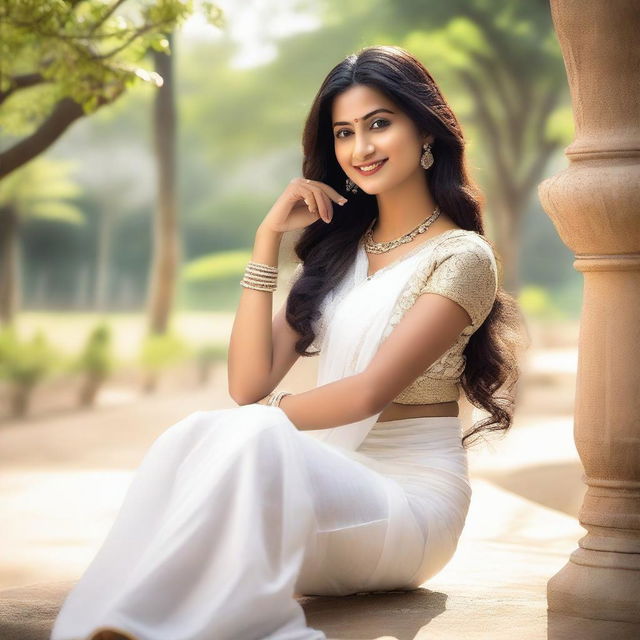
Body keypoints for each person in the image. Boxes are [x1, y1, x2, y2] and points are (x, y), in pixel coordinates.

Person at [50, 45, 524, 640]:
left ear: (425, 128)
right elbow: (247, 385)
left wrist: (254, 426)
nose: (361, 149)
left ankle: (154, 625)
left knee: (242, 436)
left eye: (380, 124)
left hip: (409, 511)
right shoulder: (339, 255)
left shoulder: (462, 257)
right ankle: (128, 623)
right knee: (197, 436)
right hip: (320, 492)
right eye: (344, 133)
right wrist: (265, 241)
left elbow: (365, 393)